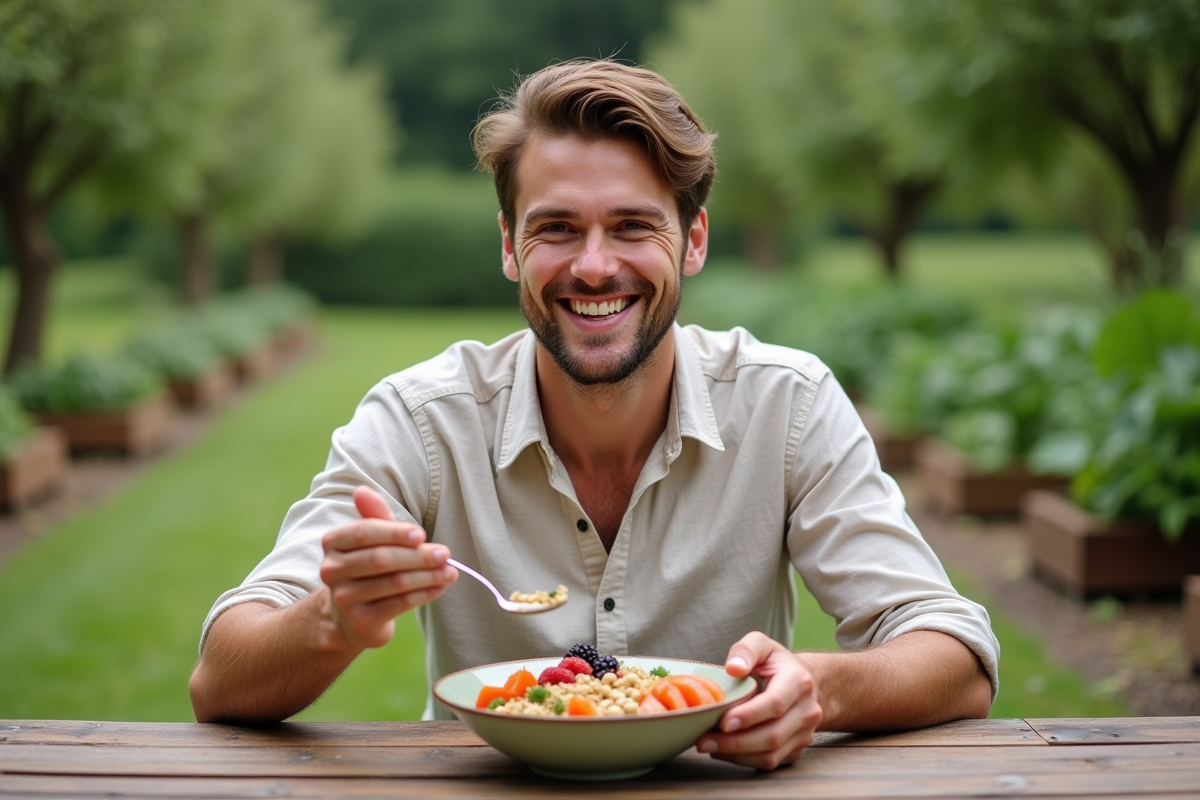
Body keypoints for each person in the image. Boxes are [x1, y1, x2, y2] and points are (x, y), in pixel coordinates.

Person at [190, 59, 998, 771]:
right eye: (557, 229)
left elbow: (955, 654)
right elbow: (220, 679)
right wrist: (331, 620)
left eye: (633, 225)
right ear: (509, 245)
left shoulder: (788, 404)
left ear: (694, 240)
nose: (595, 266)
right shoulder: (422, 421)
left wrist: (820, 686)